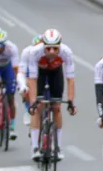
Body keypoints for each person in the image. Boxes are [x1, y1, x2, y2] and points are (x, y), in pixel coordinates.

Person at [26, 28, 77, 160]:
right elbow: (32, 80)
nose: (52, 52)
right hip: (40, 73)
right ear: (44, 46)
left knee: (56, 108)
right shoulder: (35, 52)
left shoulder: (66, 52)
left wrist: (71, 101)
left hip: (56, 73)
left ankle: (58, 146)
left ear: (60, 46)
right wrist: (32, 103)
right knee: (38, 108)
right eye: (48, 49)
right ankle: (35, 147)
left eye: (55, 48)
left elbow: (70, 79)